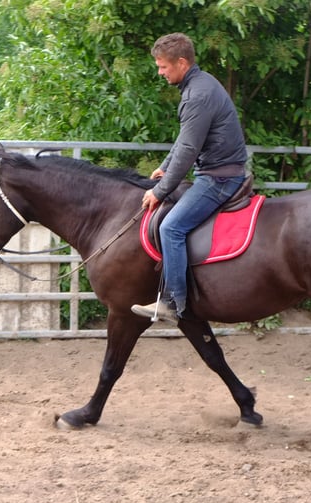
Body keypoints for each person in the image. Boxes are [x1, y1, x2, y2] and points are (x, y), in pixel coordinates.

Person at [132, 33, 247, 322]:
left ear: (181, 62)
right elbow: (186, 140)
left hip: (219, 179)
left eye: (163, 67)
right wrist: (165, 166)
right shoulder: (199, 85)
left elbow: (188, 148)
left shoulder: (197, 95)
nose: (160, 72)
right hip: (218, 171)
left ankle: (173, 302)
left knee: (171, 227)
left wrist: (160, 190)